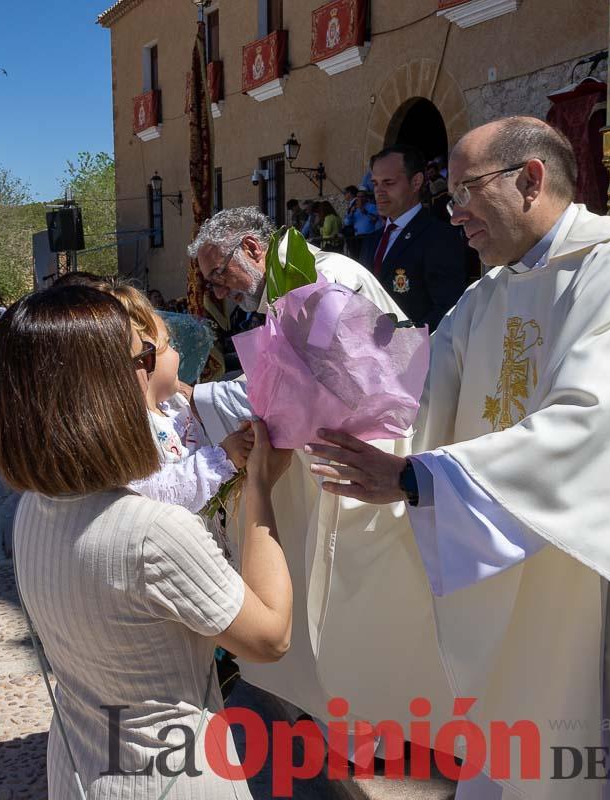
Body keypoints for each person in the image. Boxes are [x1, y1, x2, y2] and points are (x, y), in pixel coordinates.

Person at [309, 116, 610, 798]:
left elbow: (592, 422)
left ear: (531, 180)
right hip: (530, 560)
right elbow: (419, 391)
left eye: (464, 193)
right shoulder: (487, 295)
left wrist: (418, 479)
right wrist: (322, 399)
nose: (453, 216)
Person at [0, 284, 292, 800]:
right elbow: (270, 637)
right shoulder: (152, 531)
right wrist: (260, 486)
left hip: (82, 767)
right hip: (171, 774)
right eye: (142, 356)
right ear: (101, 387)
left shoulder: (32, 509)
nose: (152, 365)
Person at [186, 206, 409, 745]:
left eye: (220, 274)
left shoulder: (325, 280)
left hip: (362, 465)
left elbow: (328, 384)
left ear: (254, 249)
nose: (220, 291)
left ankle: (374, 729)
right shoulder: (288, 286)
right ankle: (337, 713)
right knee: (321, 598)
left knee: (357, 598)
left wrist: (197, 399)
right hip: (326, 464)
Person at [105, 283, 252, 514]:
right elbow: (155, 493)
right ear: (146, 358)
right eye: (168, 344)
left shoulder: (176, 406)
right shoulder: (134, 428)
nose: (176, 353)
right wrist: (223, 457)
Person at [361, 146, 470, 328]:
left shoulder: (439, 237)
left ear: (416, 182)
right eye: (375, 183)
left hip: (416, 351)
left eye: (388, 183)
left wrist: (406, 344)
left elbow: (448, 308)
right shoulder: (371, 241)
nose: (379, 191)